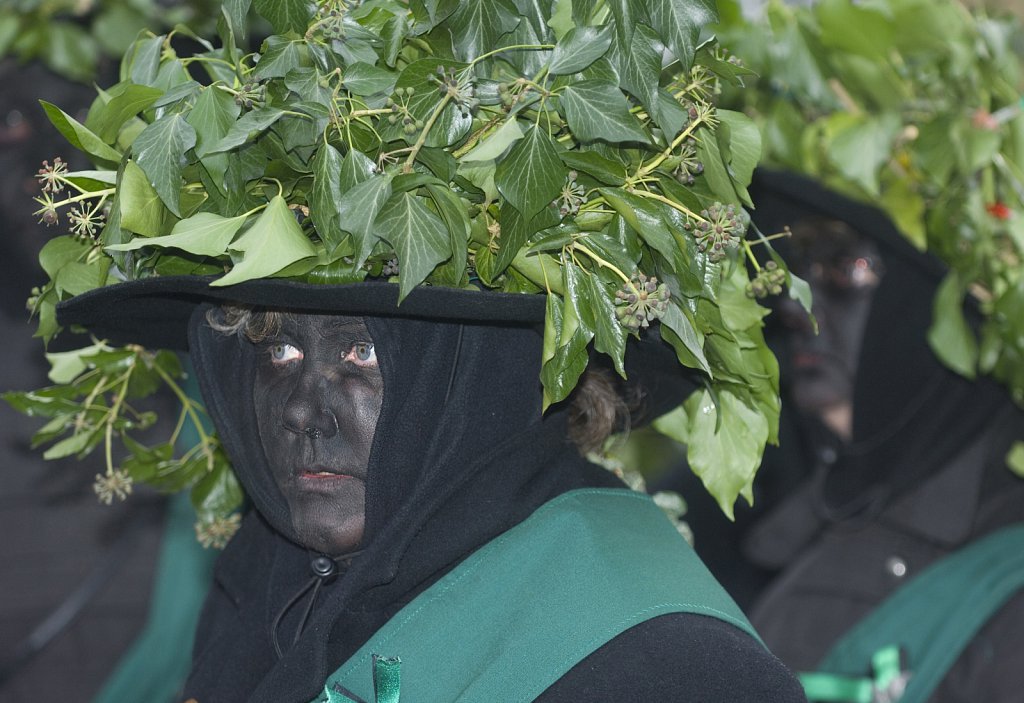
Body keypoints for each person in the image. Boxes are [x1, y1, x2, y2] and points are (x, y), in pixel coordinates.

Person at [57, 278, 808, 702]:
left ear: (481, 372)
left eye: (360, 351)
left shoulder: (663, 662)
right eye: (278, 349)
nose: (298, 410)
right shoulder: (266, 580)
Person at [738, 170, 1024, 702]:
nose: (797, 306)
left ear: (934, 300)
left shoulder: (1006, 585)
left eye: (844, 267)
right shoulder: (754, 520)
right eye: (797, 269)